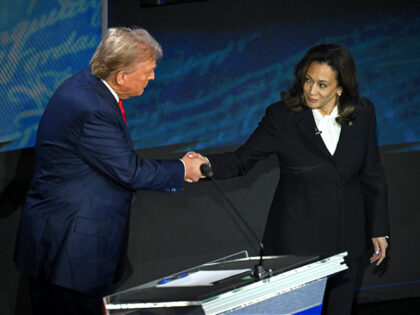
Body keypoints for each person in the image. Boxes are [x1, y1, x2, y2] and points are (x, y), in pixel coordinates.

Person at [14, 27, 205, 315]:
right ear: (121, 76)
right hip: (71, 252)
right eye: (148, 72)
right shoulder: (93, 109)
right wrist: (183, 169)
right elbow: (128, 170)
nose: (152, 78)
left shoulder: (85, 85)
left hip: (59, 243)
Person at [192, 44, 389, 314]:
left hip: (347, 240)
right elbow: (242, 160)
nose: (311, 90)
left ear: (340, 88)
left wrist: (378, 228)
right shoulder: (282, 117)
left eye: (322, 85)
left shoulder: (363, 113)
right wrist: (203, 166)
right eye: (308, 80)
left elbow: (372, 172)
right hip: (297, 244)